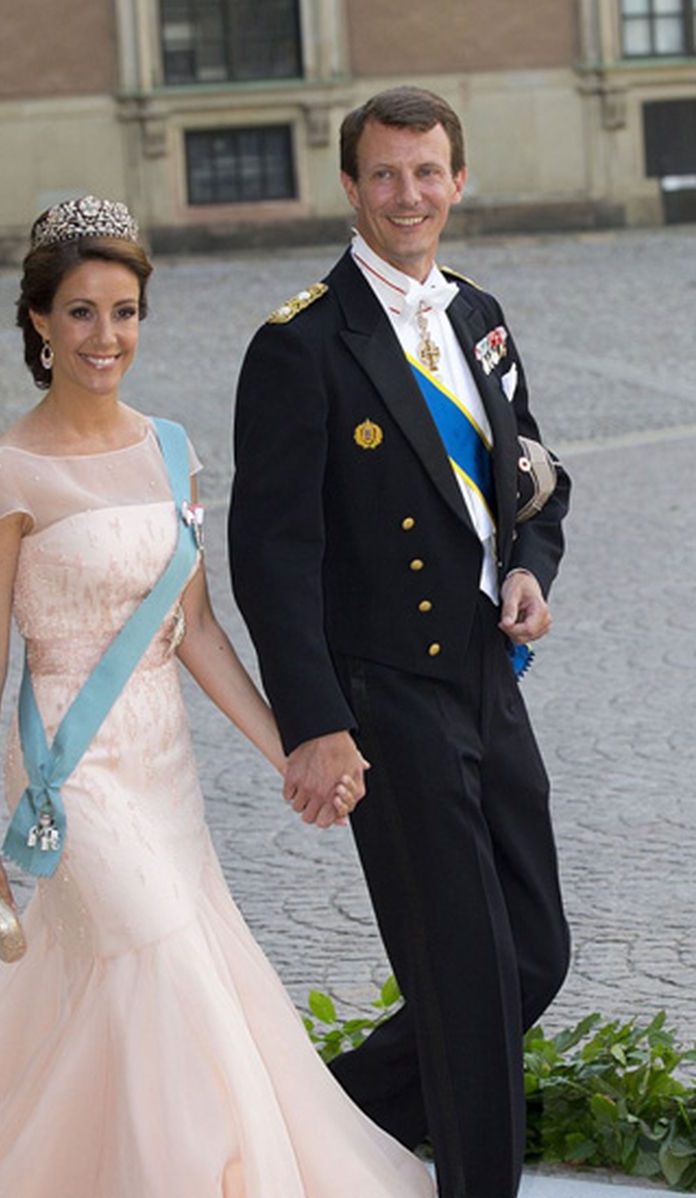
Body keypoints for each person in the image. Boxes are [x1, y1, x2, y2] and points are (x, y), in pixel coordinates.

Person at [0, 196, 434, 1198]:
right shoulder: (2, 475)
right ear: (38, 324)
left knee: (148, 983)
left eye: (125, 311)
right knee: (165, 962)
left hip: (163, 757)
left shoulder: (171, 450)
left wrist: (293, 748)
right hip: (71, 763)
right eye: (82, 313)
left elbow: (193, 632)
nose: (107, 337)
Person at [228, 88, 572, 1198]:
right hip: (385, 696)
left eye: (426, 173)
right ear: (350, 186)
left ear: (456, 181)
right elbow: (270, 559)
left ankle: (311, 1119)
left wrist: (528, 567)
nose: (407, 195)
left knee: (534, 951)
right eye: (384, 175)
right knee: (465, 977)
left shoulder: (477, 314)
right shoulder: (301, 345)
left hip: (486, 673)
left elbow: (533, 480)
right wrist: (317, 724)